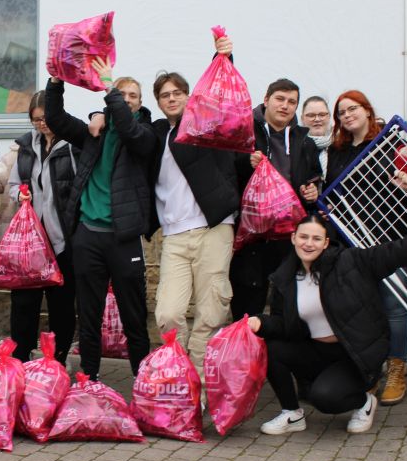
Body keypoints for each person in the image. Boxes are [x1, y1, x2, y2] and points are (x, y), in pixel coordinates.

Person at [251, 213, 407, 435]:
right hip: (316, 350)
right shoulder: (285, 277)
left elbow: (394, 252)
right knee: (272, 346)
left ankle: (364, 402)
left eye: (316, 238)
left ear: (326, 242)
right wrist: (260, 323)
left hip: (353, 353)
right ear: (293, 238)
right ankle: (291, 414)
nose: (308, 244)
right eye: (303, 237)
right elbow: (285, 324)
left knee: (325, 399)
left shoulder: (350, 261)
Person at [44, 59, 157, 380]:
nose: (127, 98)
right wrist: (55, 81)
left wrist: (110, 91)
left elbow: (131, 130)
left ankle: (142, 383)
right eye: (123, 93)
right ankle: (88, 381)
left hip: (124, 240)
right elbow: (56, 118)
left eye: (133, 95)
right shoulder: (95, 132)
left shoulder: (144, 134)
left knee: (133, 317)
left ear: (139, 102)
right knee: (89, 316)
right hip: (88, 237)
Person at [147, 34, 240, 372]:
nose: (171, 99)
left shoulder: (204, 124)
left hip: (213, 228)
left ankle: (196, 388)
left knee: (211, 311)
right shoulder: (158, 135)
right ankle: (180, 370)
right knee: (169, 312)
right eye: (164, 95)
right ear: (158, 102)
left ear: (188, 96)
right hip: (175, 234)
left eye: (177, 93)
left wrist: (224, 59)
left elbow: (221, 98)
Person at [326, 89, 407, 405]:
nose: (347, 115)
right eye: (341, 112)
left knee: (394, 306)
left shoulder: (390, 142)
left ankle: (397, 370)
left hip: (392, 238)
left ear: (367, 110)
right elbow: (332, 194)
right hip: (355, 244)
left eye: (353, 109)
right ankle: (370, 370)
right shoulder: (337, 151)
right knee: (365, 308)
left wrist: (406, 184)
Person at [230, 78, 322, 319]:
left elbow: (313, 178)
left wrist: (313, 191)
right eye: (280, 99)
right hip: (252, 233)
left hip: (289, 233)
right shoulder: (244, 132)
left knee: (287, 299)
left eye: (292, 102)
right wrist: (244, 162)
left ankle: (280, 354)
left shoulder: (305, 141)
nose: (285, 106)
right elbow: (227, 170)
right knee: (248, 299)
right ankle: (246, 352)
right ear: (266, 100)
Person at [5, 91, 78, 363]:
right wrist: (19, 195)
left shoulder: (72, 145)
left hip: (61, 241)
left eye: (45, 119)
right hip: (30, 243)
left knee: (61, 305)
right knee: (24, 304)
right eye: (36, 120)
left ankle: (57, 359)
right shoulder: (25, 147)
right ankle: (20, 359)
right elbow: (13, 185)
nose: (41, 125)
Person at [300, 96, 333, 179]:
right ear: (302, 119)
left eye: (322, 115)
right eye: (311, 115)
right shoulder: (295, 149)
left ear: (329, 117)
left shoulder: (341, 147)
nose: (317, 119)